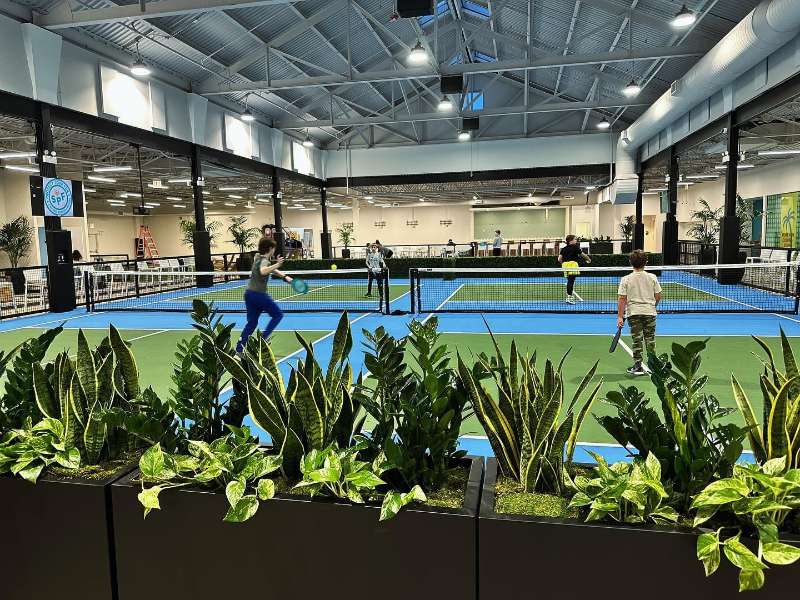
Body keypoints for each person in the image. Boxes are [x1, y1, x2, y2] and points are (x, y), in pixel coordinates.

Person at [235, 237, 292, 354]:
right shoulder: (265, 261)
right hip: (259, 295)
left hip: (249, 294)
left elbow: (269, 269)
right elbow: (263, 270)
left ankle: (239, 349)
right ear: (270, 248)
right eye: (273, 248)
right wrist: (277, 264)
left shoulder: (257, 257)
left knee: (252, 323)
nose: (274, 250)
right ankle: (263, 340)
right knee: (277, 315)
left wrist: (284, 276)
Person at [617, 250, 662, 376]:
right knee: (650, 339)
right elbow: (658, 296)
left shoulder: (625, 279)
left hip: (633, 314)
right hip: (650, 313)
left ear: (630, 262)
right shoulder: (652, 277)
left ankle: (638, 366)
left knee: (637, 340)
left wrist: (620, 316)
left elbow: (622, 299)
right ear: (646, 262)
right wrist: (652, 307)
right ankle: (654, 366)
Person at [558, 234, 591, 304]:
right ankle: (569, 297)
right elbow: (583, 255)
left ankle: (569, 297)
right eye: (575, 239)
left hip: (565, 266)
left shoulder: (563, 249)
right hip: (572, 265)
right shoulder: (575, 247)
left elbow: (559, 259)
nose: (576, 241)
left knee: (569, 281)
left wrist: (564, 264)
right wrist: (588, 259)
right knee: (571, 281)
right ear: (570, 241)